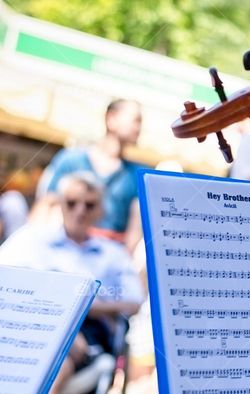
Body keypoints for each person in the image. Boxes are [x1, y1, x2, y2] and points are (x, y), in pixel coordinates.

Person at [0, 172, 144, 394]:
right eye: (72, 202)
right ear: (60, 204)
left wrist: (76, 314)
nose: (80, 210)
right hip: (35, 321)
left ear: (100, 211)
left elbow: (134, 301)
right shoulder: (33, 240)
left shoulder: (113, 254)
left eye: (89, 205)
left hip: (90, 334)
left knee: (59, 359)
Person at [38, 99, 145, 248]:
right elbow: (45, 208)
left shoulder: (136, 175)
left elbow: (135, 229)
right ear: (111, 119)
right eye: (136, 120)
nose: (139, 128)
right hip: (66, 250)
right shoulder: (71, 160)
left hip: (110, 257)